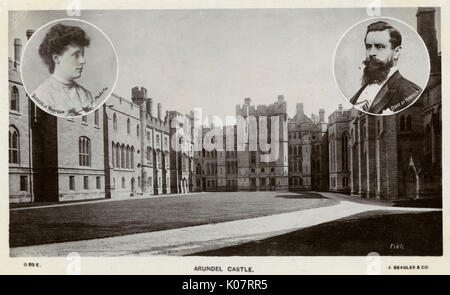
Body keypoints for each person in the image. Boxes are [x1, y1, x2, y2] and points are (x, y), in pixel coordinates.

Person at [350, 21, 422, 115]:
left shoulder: (410, 92)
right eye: (368, 47)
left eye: (379, 46)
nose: (371, 53)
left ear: (396, 52)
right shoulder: (359, 92)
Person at [32, 23, 94, 116]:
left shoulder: (87, 96)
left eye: (82, 55)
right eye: (76, 55)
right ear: (57, 59)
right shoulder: (42, 95)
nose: (83, 61)